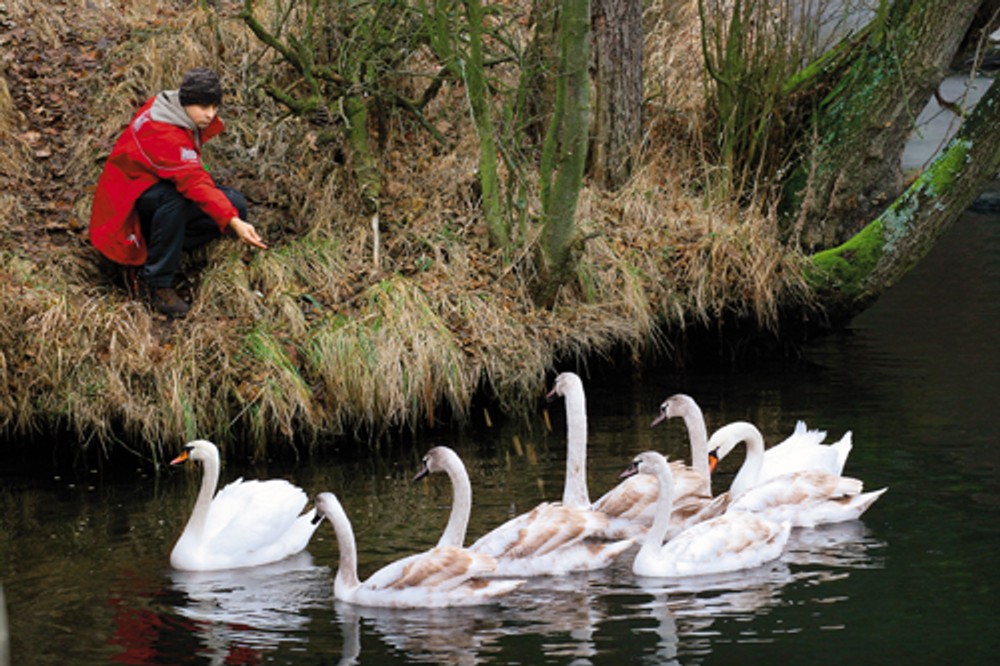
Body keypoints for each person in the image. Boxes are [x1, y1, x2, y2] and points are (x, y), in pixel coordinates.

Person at [89, 67, 266, 318]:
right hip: (126, 208)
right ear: (186, 102)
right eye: (203, 107)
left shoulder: (168, 107)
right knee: (177, 203)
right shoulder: (164, 132)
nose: (210, 114)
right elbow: (193, 180)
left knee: (236, 204)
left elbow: (190, 174)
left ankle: (164, 246)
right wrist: (233, 222)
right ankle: (157, 283)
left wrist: (233, 215)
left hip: (150, 187)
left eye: (214, 107)